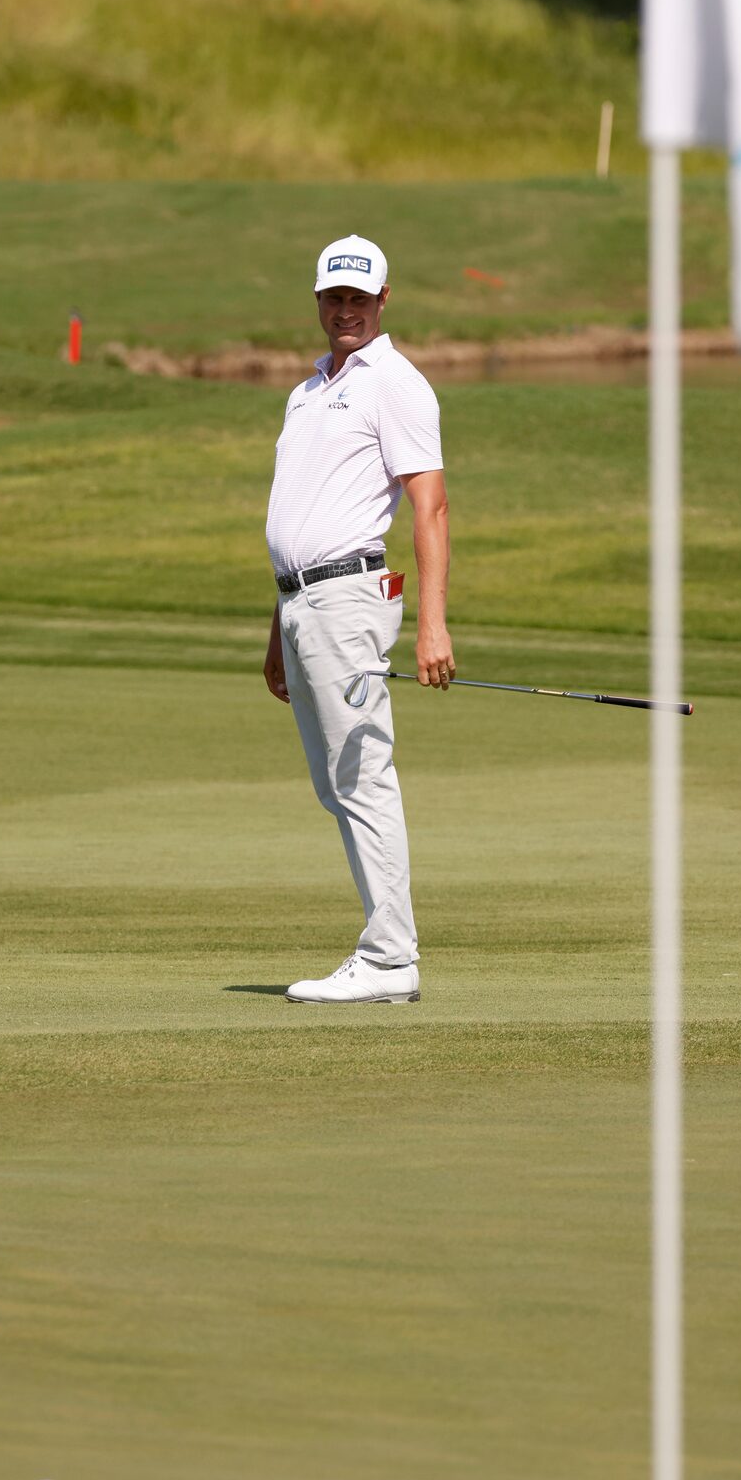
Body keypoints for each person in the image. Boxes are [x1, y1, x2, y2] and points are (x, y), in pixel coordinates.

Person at [263, 234, 455, 1004]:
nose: (345, 311)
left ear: (382, 301)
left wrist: (432, 625)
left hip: (348, 600)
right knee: (336, 784)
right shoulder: (307, 391)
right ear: (318, 302)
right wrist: (276, 632)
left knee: (361, 775)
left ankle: (389, 959)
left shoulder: (395, 383)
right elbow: (297, 516)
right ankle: (385, 952)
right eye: (333, 298)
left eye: (358, 298)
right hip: (300, 604)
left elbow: (429, 506)